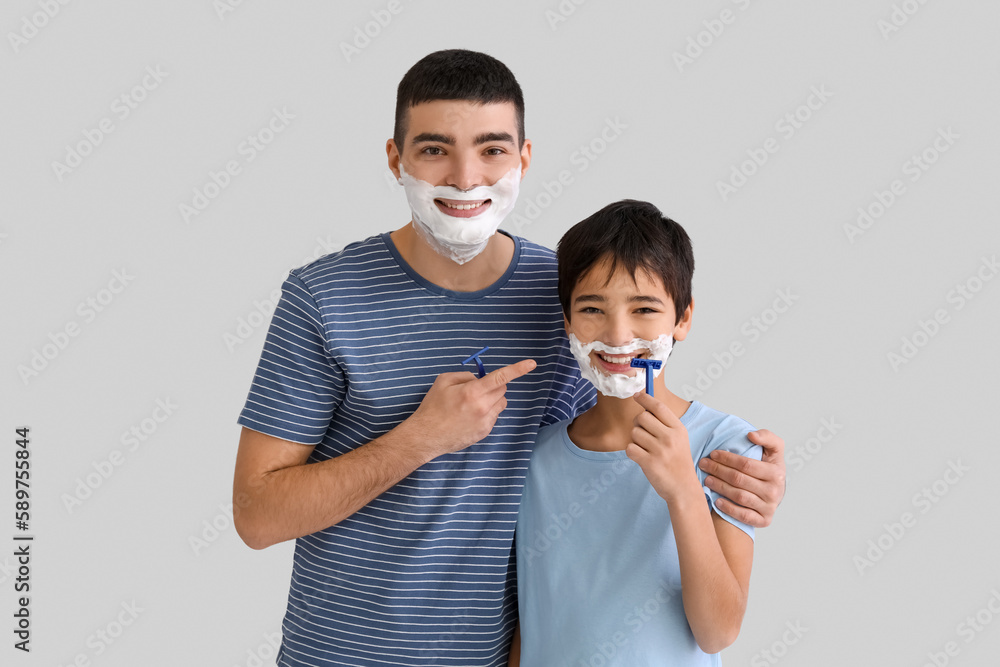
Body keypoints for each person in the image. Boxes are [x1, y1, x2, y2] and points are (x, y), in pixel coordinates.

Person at [232, 50, 785, 667]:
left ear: (523, 158)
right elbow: (256, 517)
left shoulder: (569, 292)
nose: (466, 178)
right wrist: (421, 438)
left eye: (492, 149)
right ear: (396, 158)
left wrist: (736, 478)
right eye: (435, 149)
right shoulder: (323, 297)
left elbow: (607, 449)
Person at [511, 200, 764, 666]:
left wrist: (683, 490)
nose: (619, 334)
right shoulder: (534, 457)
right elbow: (532, 623)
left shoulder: (726, 446)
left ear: (682, 319)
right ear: (567, 321)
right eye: (592, 308)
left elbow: (718, 632)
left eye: (645, 308)